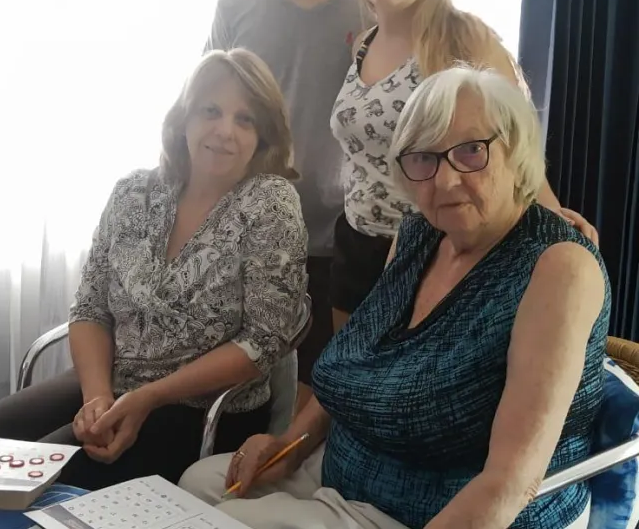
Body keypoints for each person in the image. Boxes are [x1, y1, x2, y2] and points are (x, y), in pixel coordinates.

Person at [180, 67, 610, 529]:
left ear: (516, 150)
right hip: (348, 472)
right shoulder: (418, 236)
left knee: (222, 521)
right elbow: (359, 364)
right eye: (424, 158)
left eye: (471, 151)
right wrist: (290, 445)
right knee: (196, 487)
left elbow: (510, 482)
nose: (446, 181)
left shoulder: (557, 267)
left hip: (434, 509)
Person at [0, 48, 309, 490]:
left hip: (204, 411)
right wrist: (97, 397)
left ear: (263, 136)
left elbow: (263, 342)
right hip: (112, 384)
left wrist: (149, 397)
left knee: (20, 481)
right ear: (184, 118)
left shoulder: (271, 205)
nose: (225, 131)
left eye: (245, 119)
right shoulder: (134, 192)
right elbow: (90, 308)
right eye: (211, 111)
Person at [329, 0, 599, 331]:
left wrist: (555, 223)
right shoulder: (364, 44)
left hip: (431, 251)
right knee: (344, 368)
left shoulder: (464, 39)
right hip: (355, 242)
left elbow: (515, 144)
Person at [206, 0, 369, 403]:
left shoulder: (375, 7)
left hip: (344, 244)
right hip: (248, 242)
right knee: (240, 403)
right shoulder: (235, 6)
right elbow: (203, 116)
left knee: (321, 405)